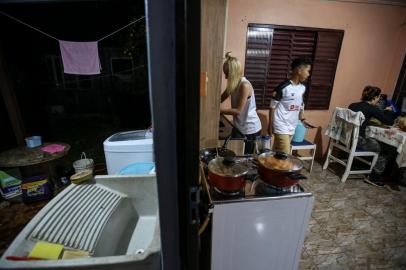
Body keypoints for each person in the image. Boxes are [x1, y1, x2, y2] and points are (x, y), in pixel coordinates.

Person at [348, 86, 395, 186]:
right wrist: (388, 111)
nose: (378, 100)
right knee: (387, 148)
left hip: (347, 138)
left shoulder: (352, 105)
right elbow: (389, 121)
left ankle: (360, 164)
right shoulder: (371, 108)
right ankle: (374, 177)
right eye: (378, 98)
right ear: (374, 97)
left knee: (374, 141)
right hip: (358, 141)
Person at [220, 52, 262, 154]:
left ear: (233, 73)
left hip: (250, 129)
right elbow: (220, 99)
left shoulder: (245, 85)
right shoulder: (233, 85)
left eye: (227, 74)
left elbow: (238, 111)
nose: (225, 77)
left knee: (246, 158)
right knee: (236, 154)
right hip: (239, 126)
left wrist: (218, 110)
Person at [268, 58, 312, 154]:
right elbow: (272, 106)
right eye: (308, 71)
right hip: (281, 126)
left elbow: (300, 105)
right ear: (299, 70)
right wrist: (270, 125)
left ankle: (271, 168)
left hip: (292, 126)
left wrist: (302, 119)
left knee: (277, 154)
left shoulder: (302, 88)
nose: (309, 74)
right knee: (285, 155)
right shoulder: (283, 87)